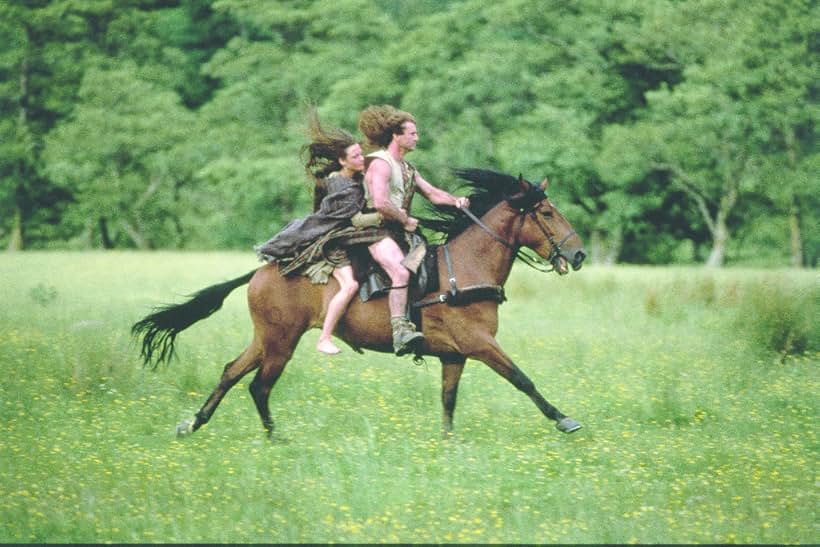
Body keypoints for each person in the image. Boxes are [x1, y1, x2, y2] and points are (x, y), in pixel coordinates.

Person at [255, 111, 381, 355]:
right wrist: (383, 215)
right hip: (332, 243)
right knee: (350, 285)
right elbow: (355, 219)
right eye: (356, 156)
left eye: (361, 154)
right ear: (343, 161)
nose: (361, 159)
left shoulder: (346, 177)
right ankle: (324, 338)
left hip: (340, 236)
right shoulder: (342, 186)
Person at [357, 105, 469, 355]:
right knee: (400, 271)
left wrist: (456, 201)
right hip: (376, 231)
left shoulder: (408, 169)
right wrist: (405, 219)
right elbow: (380, 202)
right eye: (412, 133)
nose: (417, 138)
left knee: (429, 265)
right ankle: (399, 331)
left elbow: (432, 194)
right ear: (397, 136)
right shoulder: (381, 164)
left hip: (398, 231)